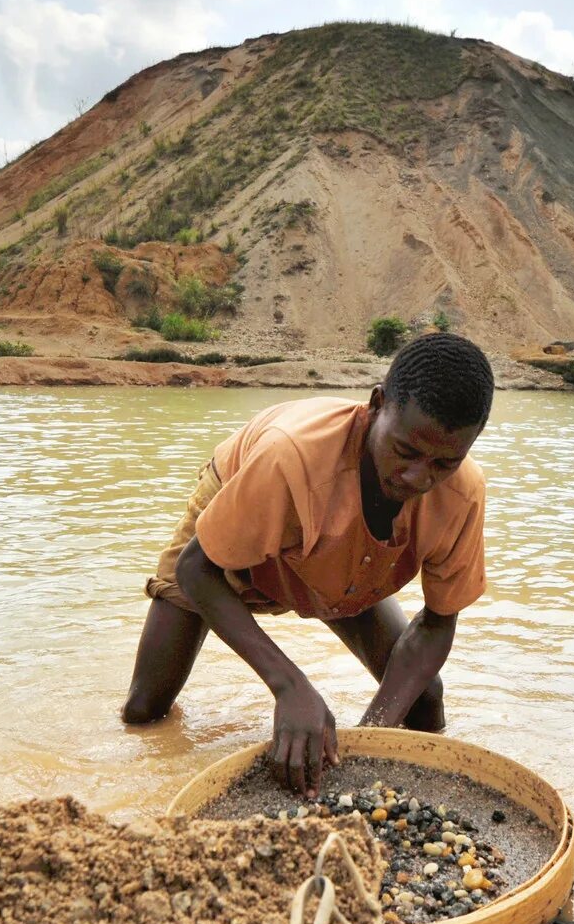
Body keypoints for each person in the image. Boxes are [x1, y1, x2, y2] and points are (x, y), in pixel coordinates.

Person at [123, 333, 495, 795]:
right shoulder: (291, 456)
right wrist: (289, 686)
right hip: (226, 538)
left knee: (424, 699)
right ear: (377, 405)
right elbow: (197, 569)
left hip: (347, 562)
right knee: (145, 713)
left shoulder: (462, 493)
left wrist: (369, 736)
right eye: (405, 452)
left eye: (445, 463)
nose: (420, 477)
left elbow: (438, 623)